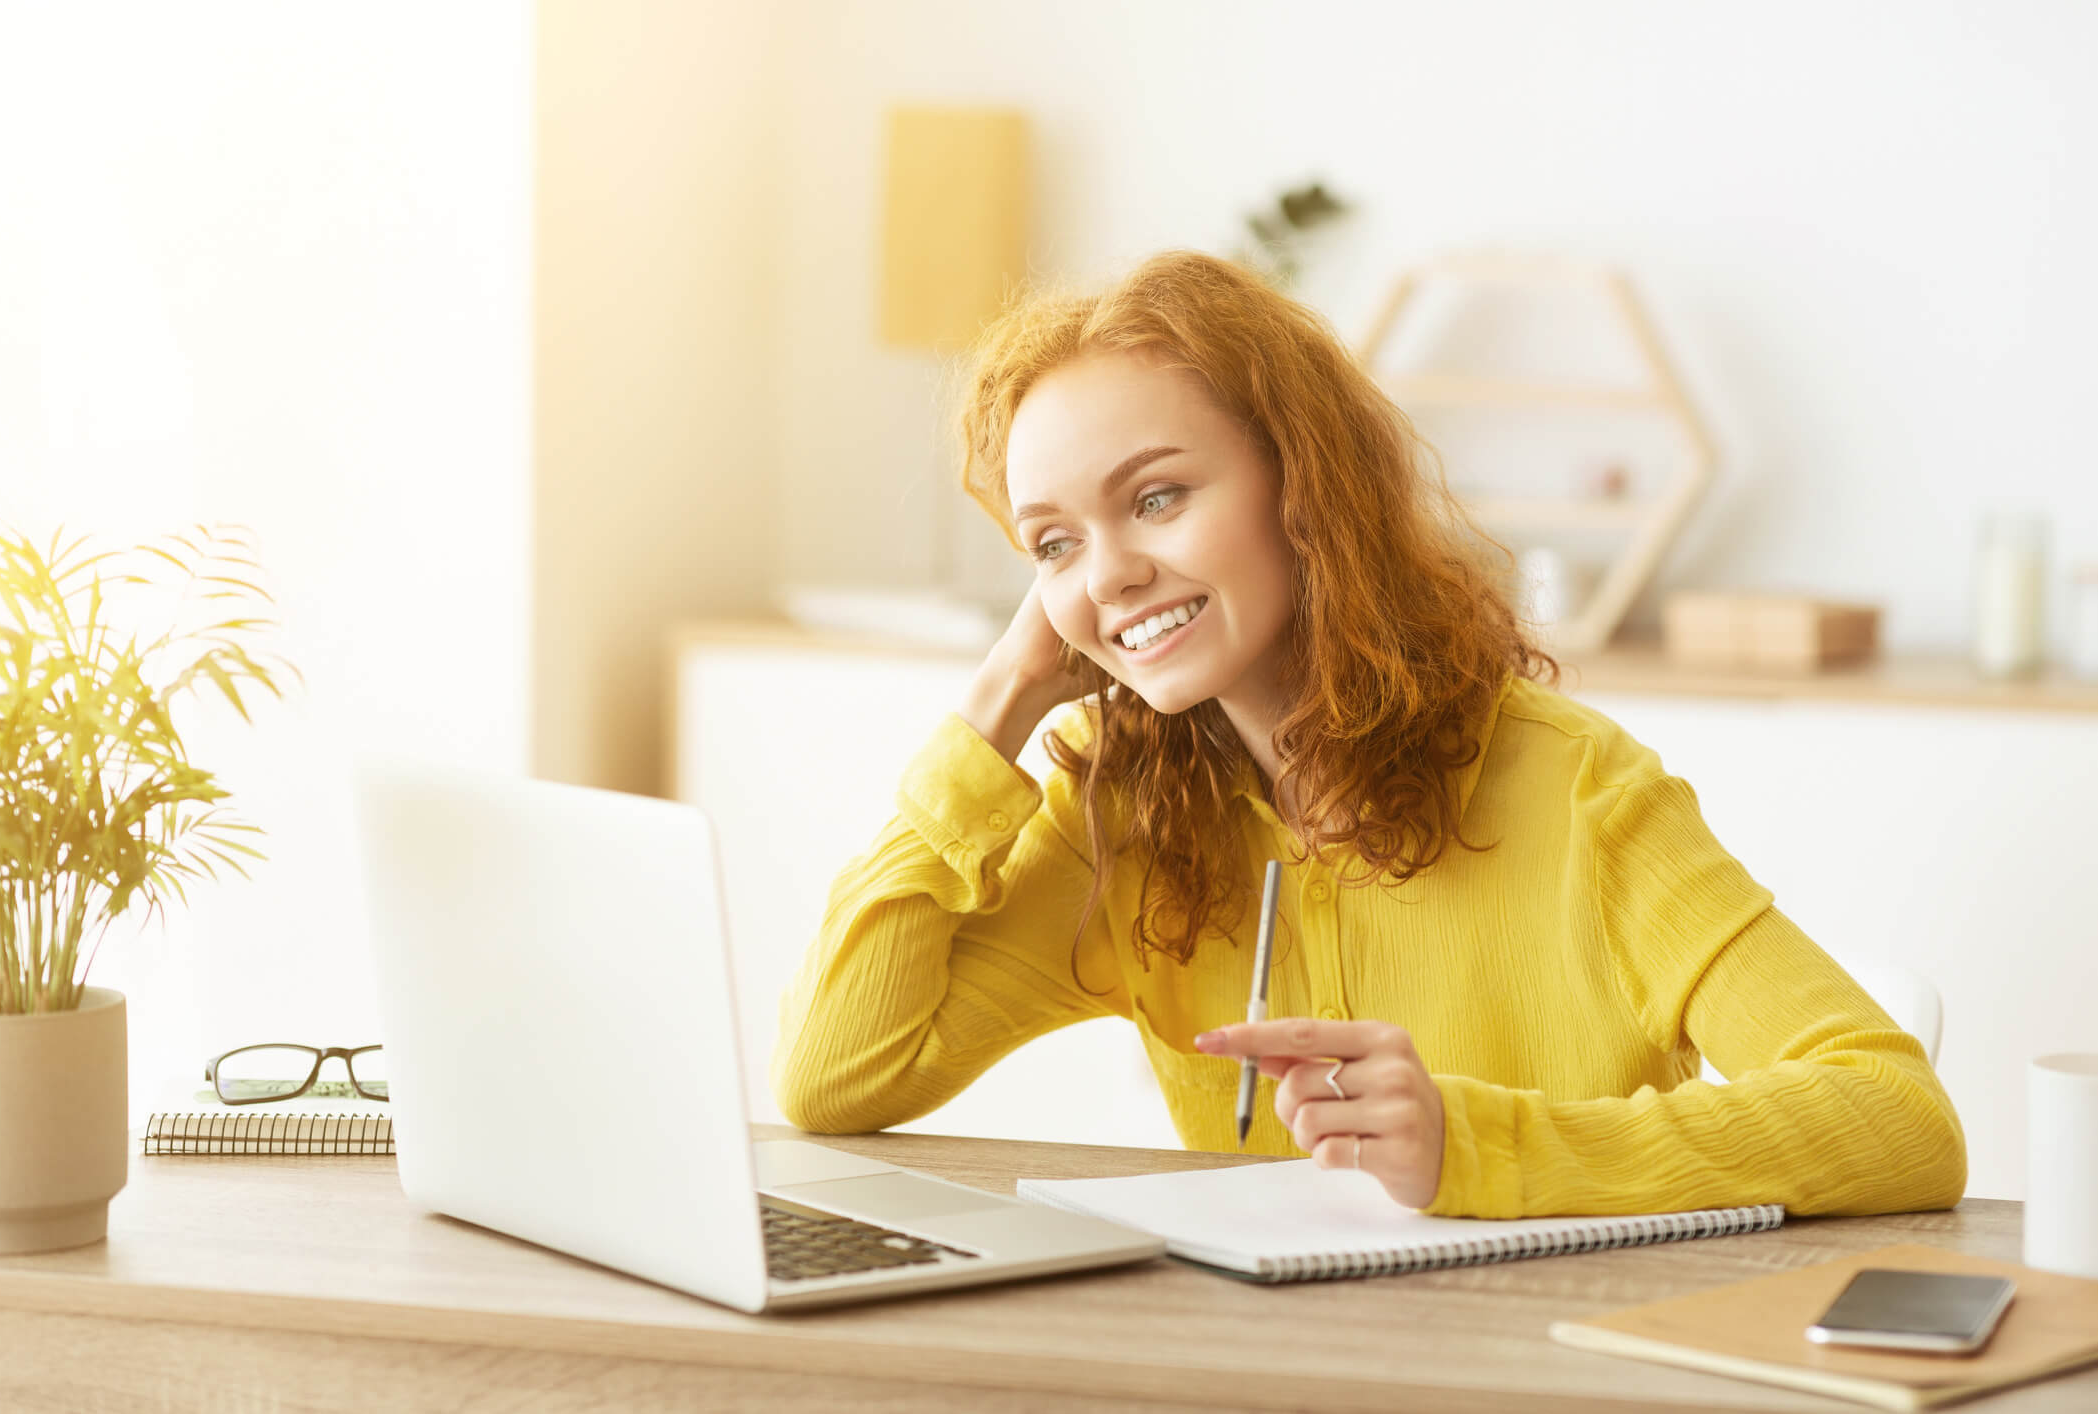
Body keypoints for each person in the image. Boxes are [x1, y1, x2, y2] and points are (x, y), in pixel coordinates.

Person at [771, 250, 1965, 1218]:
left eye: (1156, 497)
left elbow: (1897, 1116)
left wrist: (1476, 1145)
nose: (1113, 574)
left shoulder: (1576, 789)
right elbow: (837, 1075)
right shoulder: (1125, 811)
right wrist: (1005, 695)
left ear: (1303, 483)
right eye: (1055, 542)